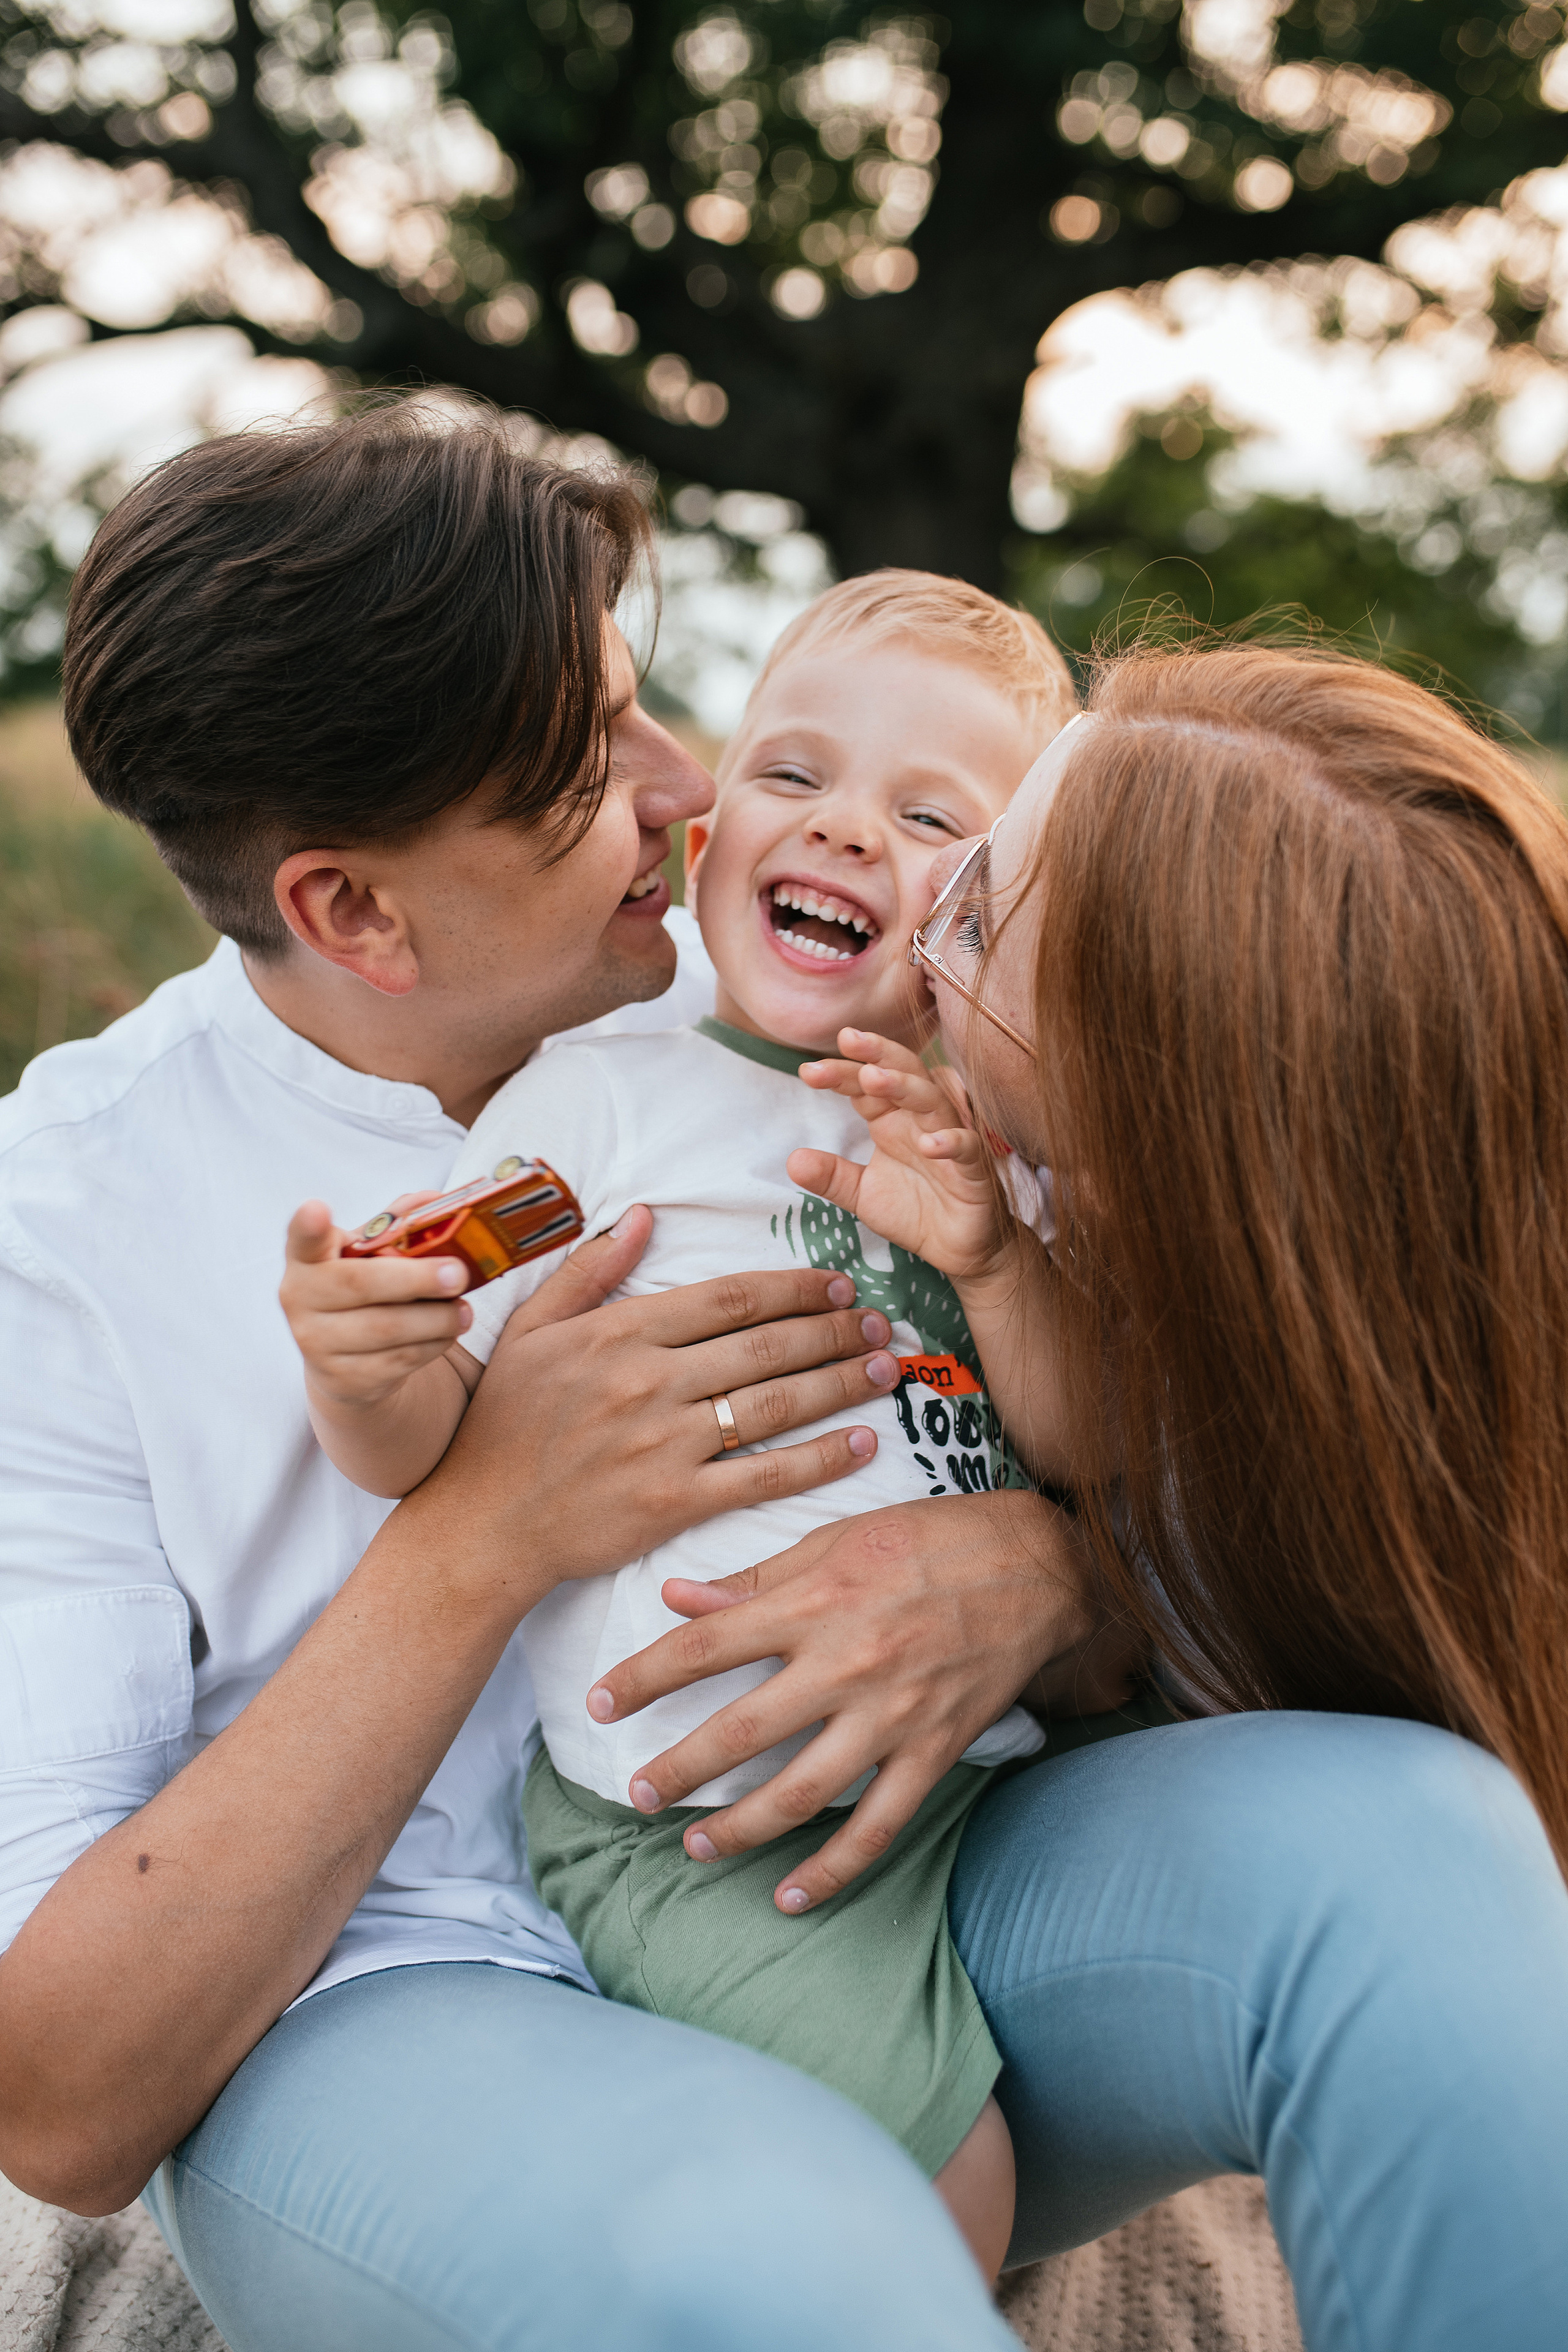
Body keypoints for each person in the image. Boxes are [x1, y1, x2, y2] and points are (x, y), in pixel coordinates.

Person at [2, 402, 1566, 2352]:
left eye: (653, 707)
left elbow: (1151, 1340)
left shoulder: (800, 973)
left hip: (897, 1865)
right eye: (587, 773)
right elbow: (60, 2092)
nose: (687, 791)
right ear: (350, 909)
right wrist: (485, 1530)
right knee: (784, 2251)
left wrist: (1052, 1568)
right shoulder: (61, 1230)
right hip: (399, 2004)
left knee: (1420, 1854)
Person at [281, 570, 1078, 2275]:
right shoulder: (608, 1104)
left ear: (1009, 907)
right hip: (713, 1824)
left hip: (983, 1771)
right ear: (712, 835)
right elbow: (426, 1403)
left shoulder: (1004, 1143)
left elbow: (1090, 1459)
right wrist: (369, 1362)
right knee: (959, 2193)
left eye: (928, 815)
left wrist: (997, 1264)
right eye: (792, 777)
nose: (847, 829)